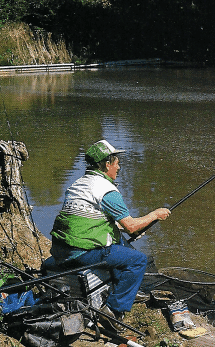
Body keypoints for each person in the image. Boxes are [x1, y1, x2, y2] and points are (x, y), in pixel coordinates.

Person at [49, 139, 170, 331]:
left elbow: (93, 218)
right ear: (107, 164)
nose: (119, 167)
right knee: (139, 260)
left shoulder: (78, 185)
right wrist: (154, 215)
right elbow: (131, 226)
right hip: (81, 253)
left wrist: (127, 229)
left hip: (60, 249)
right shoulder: (106, 190)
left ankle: (127, 289)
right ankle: (113, 310)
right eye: (117, 163)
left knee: (121, 241)